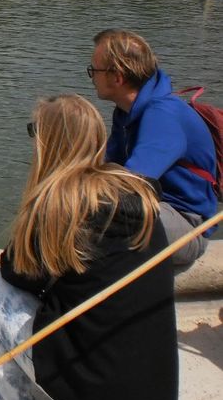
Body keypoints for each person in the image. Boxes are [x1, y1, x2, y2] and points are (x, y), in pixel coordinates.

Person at [0, 94, 177, 400]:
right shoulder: (140, 194)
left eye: (34, 131)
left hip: (93, 394)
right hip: (151, 394)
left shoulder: (60, 207)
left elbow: (13, 271)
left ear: (48, 144)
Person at [90, 29, 217, 268]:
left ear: (117, 77)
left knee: (98, 216)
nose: (92, 77)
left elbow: (131, 183)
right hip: (153, 209)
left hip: (186, 225)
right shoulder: (126, 113)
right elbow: (106, 169)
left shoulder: (163, 115)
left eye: (94, 71)